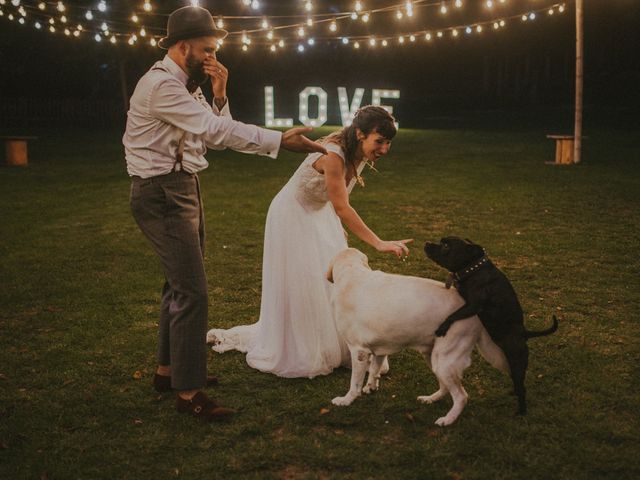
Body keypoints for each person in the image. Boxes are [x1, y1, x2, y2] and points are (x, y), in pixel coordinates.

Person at [123, 5, 327, 423]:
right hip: (161, 191)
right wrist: (277, 140)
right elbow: (216, 132)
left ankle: (168, 372)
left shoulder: (188, 84)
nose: (213, 57)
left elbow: (213, 138)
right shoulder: (162, 87)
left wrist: (220, 95)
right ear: (183, 47)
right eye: (208, 49)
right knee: (191, 291)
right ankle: (189, 392)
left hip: (182, 187)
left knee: (177, 286)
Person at [207, 106, 412, 378]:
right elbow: (343, 207)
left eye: (388, 143)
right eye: (380, 142)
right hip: (291, 213)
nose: (384, 149)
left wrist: (337, 228)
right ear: (360, 134)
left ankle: (338, 344)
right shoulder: (334, 155)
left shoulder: (358, 150)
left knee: (333, 280)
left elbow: (336, 202)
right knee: (305, 280)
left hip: (319, 212)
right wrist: (378, 243)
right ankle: (304, 347)